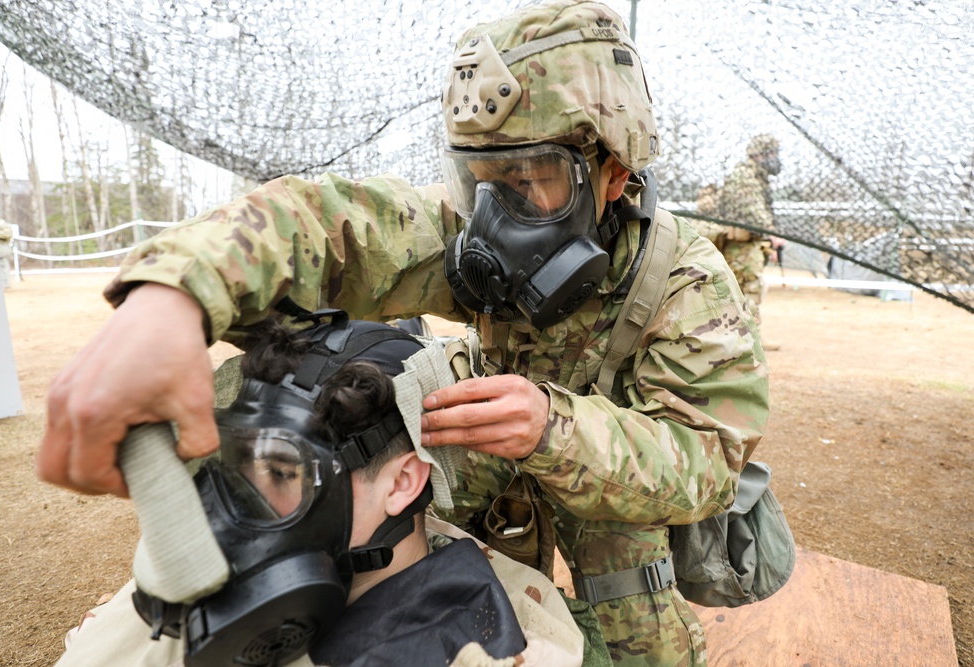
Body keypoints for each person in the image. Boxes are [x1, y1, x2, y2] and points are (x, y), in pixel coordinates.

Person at [39, 2, 770, 664]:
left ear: (612, 174)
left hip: (617, 495)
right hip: (492, 456)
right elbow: (325, 225)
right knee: (385, 516)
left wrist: (554, 427)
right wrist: (172, 295)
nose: (495, 214)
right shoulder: (473, 230)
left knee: (636, 643)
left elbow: (707, 468)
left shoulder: (686, 286)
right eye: (480, 176)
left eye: (530, 180)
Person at [56, 315, 587, 667]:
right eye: (235, 463)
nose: (241, 501)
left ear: (403, 483)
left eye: (282, 473)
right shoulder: (203, 586)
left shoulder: (487, 645)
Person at [716, 134, 786, 349]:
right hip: (740, 246)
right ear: (759, 155)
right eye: (772, 153)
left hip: (749, 244)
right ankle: (749, 340)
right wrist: (771, 233)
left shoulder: (756, 176)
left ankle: (749, 337)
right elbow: (752, 209)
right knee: (747, 290)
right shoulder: (745, 175)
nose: (775, 158)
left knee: (750, 291)